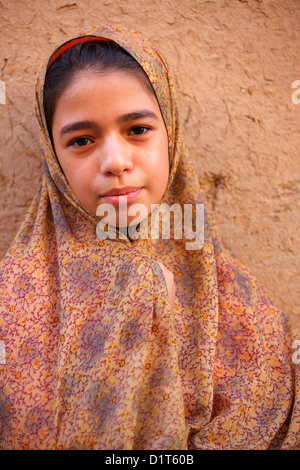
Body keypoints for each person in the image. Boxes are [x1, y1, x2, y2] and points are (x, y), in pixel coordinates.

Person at [0, 25, 299, 450]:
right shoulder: (17, 297)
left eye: (138, 129)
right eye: (82, 140)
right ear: (54, 157)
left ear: (171, 133)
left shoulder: (231, 292)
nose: (116, 162)